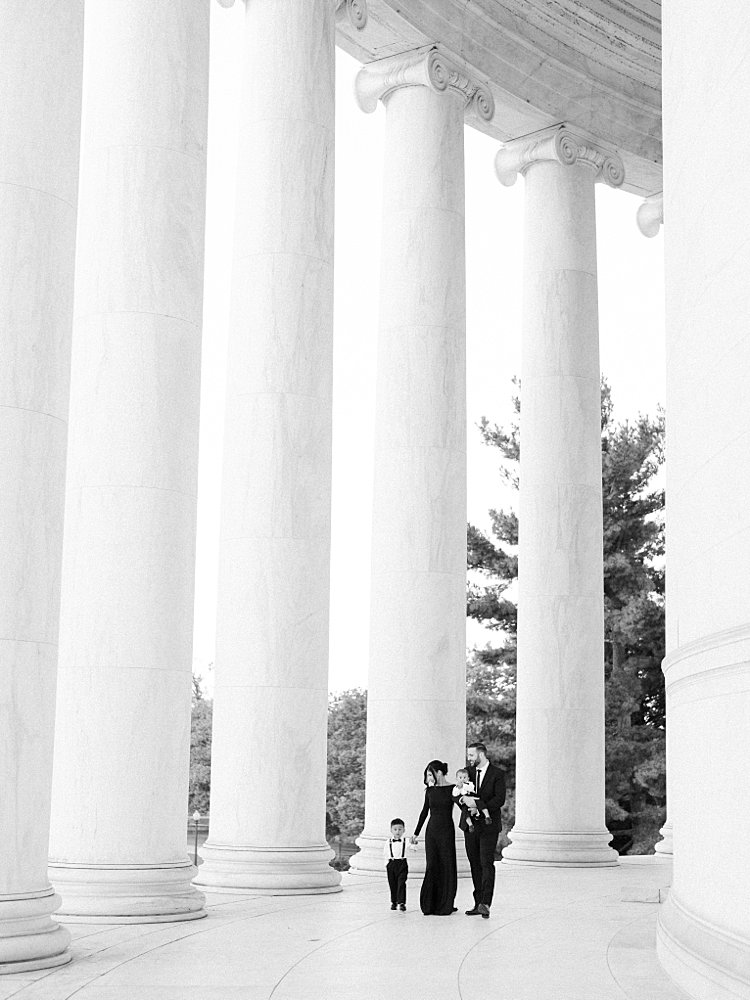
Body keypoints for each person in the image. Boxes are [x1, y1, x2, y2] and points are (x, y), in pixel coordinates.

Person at [458, 742, 506, 919]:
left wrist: (477, 805)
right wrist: (464, 801)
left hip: (488, 825)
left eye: (471, 755)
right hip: (469, 826)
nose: (468, 758)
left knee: (486, 863)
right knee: (474, 863)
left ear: (481, 754)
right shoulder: (466, 772)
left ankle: (485, 903)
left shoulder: (498, 774)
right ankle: (477, 903)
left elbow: (499, 800)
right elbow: (456, 795)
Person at [412, 760, 458, 916]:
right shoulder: (429, 791)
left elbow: (463, 806)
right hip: (431, 832)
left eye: (430, 774)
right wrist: (416, 833)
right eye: (427, 775)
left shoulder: (453, 789)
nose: (428, 778)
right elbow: (424, 812)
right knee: (432, 864)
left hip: (446, 831)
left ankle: (446, 903)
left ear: (439, 773)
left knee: (446, 864)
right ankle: (430, 903)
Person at [383, 817, 416, 911]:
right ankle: (393, 902)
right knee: (392, 883)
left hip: (402, 863)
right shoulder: (388, 842)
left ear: (404, 830)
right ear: (391, 830)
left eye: (400, 829)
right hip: (392, 863)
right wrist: (387, 864)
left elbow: (413, 848)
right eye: (395, 829)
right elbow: (385, 853)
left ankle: (402, 902)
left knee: (401, 883)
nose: (397, 831)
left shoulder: (406, 841)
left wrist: (414, 844)